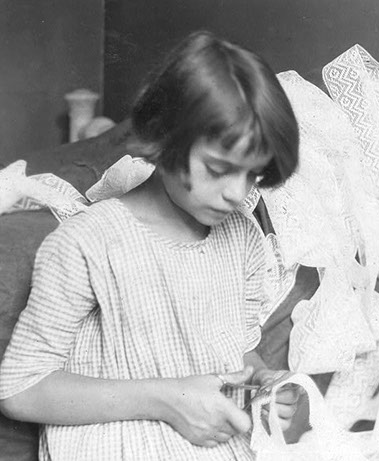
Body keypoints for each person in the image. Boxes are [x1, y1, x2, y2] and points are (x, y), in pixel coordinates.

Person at [0, 31, 300, 460]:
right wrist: (169, 400)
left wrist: (260, 382)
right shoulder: (88, 242)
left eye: (253, 175)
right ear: (164, 139)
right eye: (219, 169)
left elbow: (236, 353)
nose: (237, 193)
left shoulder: (243, 238)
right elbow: (18, 388)